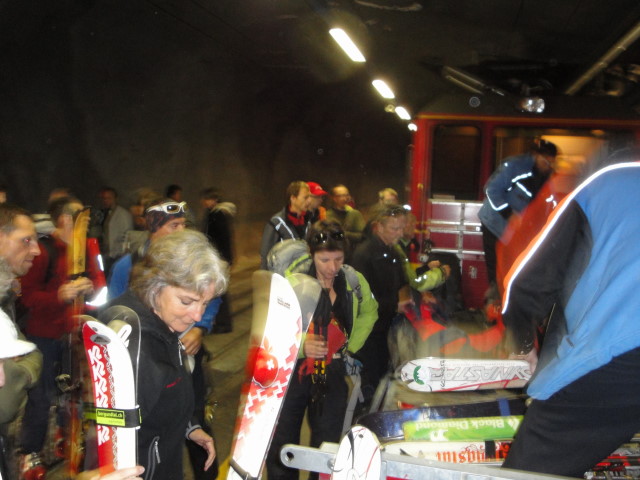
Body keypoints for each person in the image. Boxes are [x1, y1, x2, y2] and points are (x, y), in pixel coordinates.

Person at [500, 160, 640, 477]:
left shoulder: (609, 182)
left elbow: (527, 281)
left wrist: (523, 345)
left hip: (621, 350)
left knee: (531, 468)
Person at [109, 199, 221, 480]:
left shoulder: (163, 322)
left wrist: (189, 427)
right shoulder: (136, 347)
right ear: (156, 287)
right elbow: (112, 438)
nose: (198, 316)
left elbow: (164, 396)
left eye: (205, 303)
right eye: (187, 301)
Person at [266, 221, 378, 480]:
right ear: (311, 253)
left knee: (328, 443)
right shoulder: (292, 283)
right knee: (283, 441)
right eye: (324, 260)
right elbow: (271, 326)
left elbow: (370, 312)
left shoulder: (353, 281)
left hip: (332, 371)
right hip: (292, 372)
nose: (332, 267)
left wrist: (349, 345)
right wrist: (301, 345)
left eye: (338, 259)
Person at [18, 197, 100, 476]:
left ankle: (67, 436)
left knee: (73, 390)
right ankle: (29, 452)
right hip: (44, 335)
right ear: (66, 219)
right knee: (41, 397)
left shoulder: (86, 249)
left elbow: (99, 287)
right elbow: (27, 297)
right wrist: (59, 295)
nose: (87, 222)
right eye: (81, 217)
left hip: (74, 332)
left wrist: (89, 287)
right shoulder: (44, 251)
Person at [478, 139, 557, 290]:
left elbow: (550, 202)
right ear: (536, 156)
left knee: (514, 270)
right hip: (494, 224)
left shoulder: (547, 177)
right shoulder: (515, 166)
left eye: (551, 163)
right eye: (546, 161)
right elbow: (491, 190)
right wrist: (509, 214)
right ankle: (495, 298)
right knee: (497, 271)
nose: (548, 166)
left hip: (516, 232)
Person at [350, 206, 408, 403]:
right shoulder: (364, 254)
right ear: (379, 227)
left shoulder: (392, 252)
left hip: (384, 327)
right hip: (368, 333)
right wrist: (393, 306)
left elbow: (402, 281)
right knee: (371, 381)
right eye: (394, 228)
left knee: (383, 376)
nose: (400, 233)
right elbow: (361, 298)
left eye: (402, 228)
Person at [201, 187, 236, 334]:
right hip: (218, 258)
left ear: (214, 200)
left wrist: (223, 259)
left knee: (219, 291)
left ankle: (223, 323)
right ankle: (221, 322)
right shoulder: (214, 214)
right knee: (218, 290)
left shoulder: (217, 215)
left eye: (207, 199)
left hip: (218, 259)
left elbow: (222, 239)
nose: (204, 202)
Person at [260, 181, 312, 269]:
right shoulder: (276, 223)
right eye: (305, 197)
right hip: (281, 275)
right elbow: (265, 256)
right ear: (293, 198)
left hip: (302, 275)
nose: (309, 201)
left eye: (309, 197)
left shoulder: (308, 223)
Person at [91, 187, 134, 274]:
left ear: (115, 199)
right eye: (104, 198)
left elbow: (128, 235)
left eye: (109, 198)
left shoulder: (123, 215)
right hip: (106, 255)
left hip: (118, 255)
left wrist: (123, 254)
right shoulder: (103, 213)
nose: (106, 201)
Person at [326, 185, 366, 257]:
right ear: (334, 198)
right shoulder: (327, 215)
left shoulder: (354, 214)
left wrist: (344, 234)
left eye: (347, 195)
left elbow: (363, 235)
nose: (345, 198)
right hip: (334, 253)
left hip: (353, 253)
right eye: (341, 196)